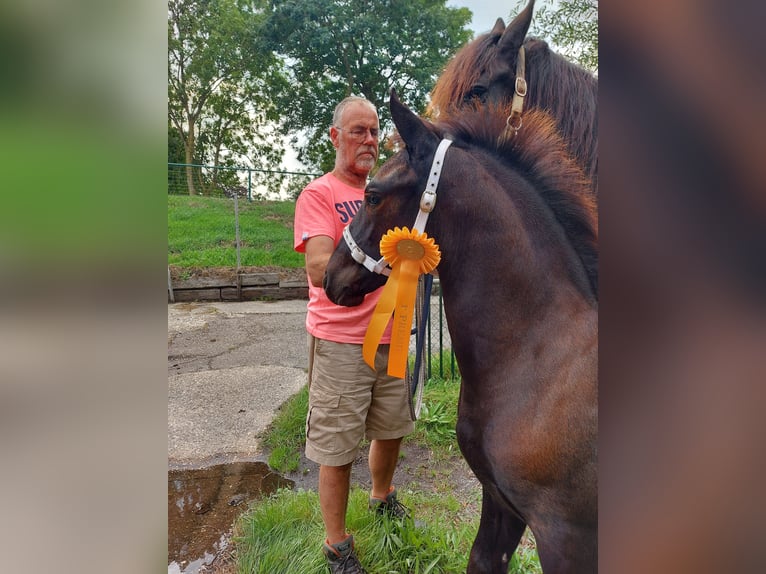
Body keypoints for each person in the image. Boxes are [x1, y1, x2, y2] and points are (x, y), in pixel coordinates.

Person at [293, 96, 415, 574]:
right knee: (337, 446)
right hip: (341, 341)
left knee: (392, 428)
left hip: (392, 334)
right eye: (357, 131)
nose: (368, 140)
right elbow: (320, 266)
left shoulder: (389, 192)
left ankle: (381, 495)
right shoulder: (319, 195)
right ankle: (336, 544)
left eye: (374, 132)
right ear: (335, 137)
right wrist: (381, 262)